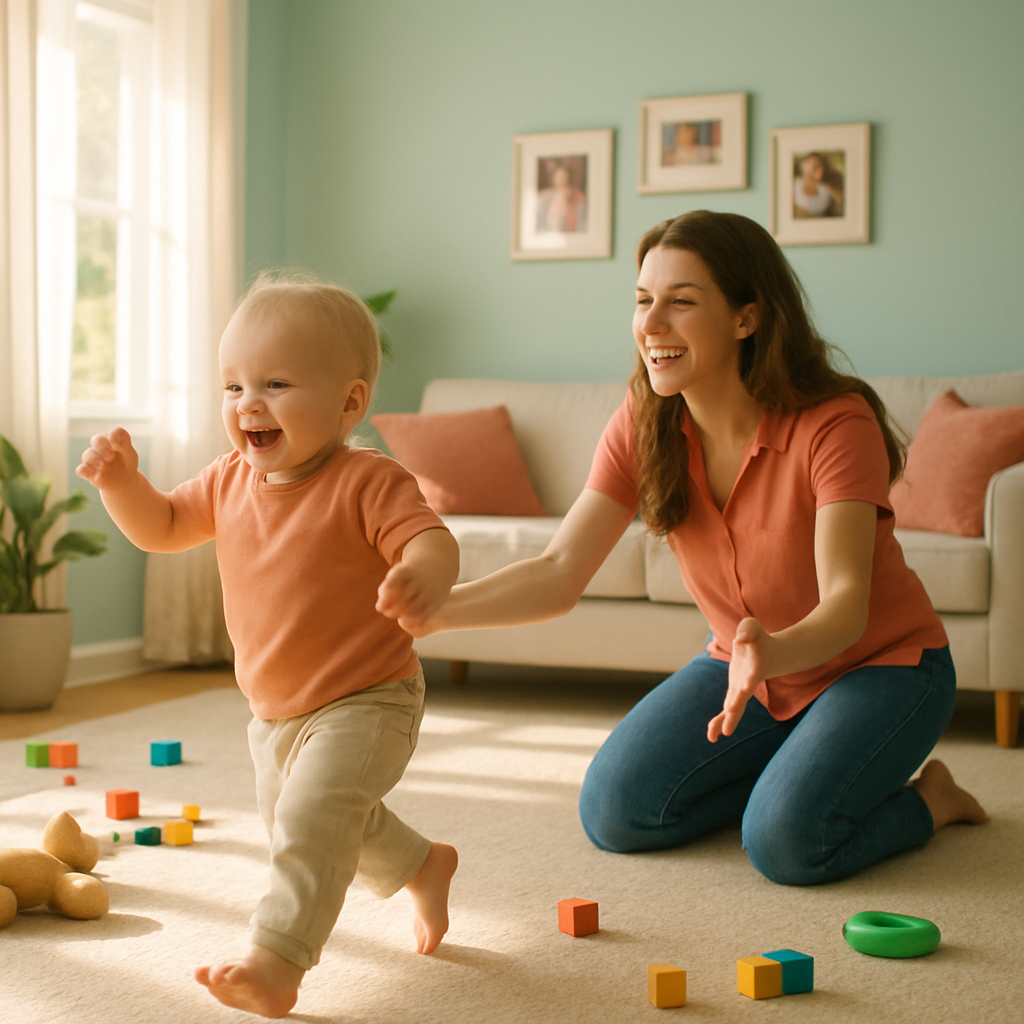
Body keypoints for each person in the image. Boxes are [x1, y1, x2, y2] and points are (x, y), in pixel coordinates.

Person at [407, 210, 988, 887]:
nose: (651, 324)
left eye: (681, 302)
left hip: (883, 669)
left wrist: (771, 652)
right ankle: (789, 778)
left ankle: (931, 802)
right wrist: (437, 613)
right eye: (643, 300)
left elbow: (847, 607)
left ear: (747, 317)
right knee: (616, 812)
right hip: (744, 670)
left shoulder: (834, 424)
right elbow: (559, 571)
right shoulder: (644, 421)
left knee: (788, 846)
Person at [76, 274, 460, 1018]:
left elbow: (431, 541)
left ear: (350, 401)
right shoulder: (228, 480)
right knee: (317, 819)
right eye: (232, 386)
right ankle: (423, 865)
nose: (248, 403)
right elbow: (161, 527)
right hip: (274, 714)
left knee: (314, 816)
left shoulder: (367, 480)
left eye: (276, 384)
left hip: (369, 697)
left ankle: (276, 959)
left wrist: (420, 575)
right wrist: (123, 485)